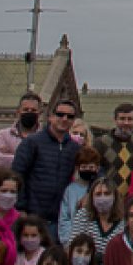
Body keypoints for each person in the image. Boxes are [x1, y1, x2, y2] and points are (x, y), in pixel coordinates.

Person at [15, 97, 83, 238]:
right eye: (60, 114)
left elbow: (92, 168)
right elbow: (17, 175)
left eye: (70, 116)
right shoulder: (32, 143)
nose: (64, 119)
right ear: (51, 116)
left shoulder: (75, 148)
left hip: (60, 220)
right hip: (32, 218)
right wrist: (20, 208)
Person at [0, 93, 47, 174]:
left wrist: (11, 155)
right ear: (18, 111)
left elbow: (47, 165)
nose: (29, 112)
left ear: (40, 113)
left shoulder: (46, 137)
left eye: (33, 110)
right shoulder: (2, 135)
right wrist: (33, 158)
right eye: (26, 110)